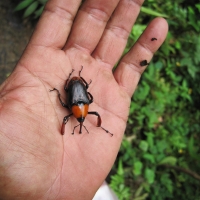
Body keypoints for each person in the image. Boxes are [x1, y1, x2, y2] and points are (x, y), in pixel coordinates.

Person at [0, 0, 168, 199]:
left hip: (75, 86)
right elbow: (76, 102)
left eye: (79, 120)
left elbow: (71, 101)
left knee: (68, 101)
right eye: (80, 120)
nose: (79, 121)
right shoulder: (82, 108)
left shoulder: (78, 108)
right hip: (77, 86)